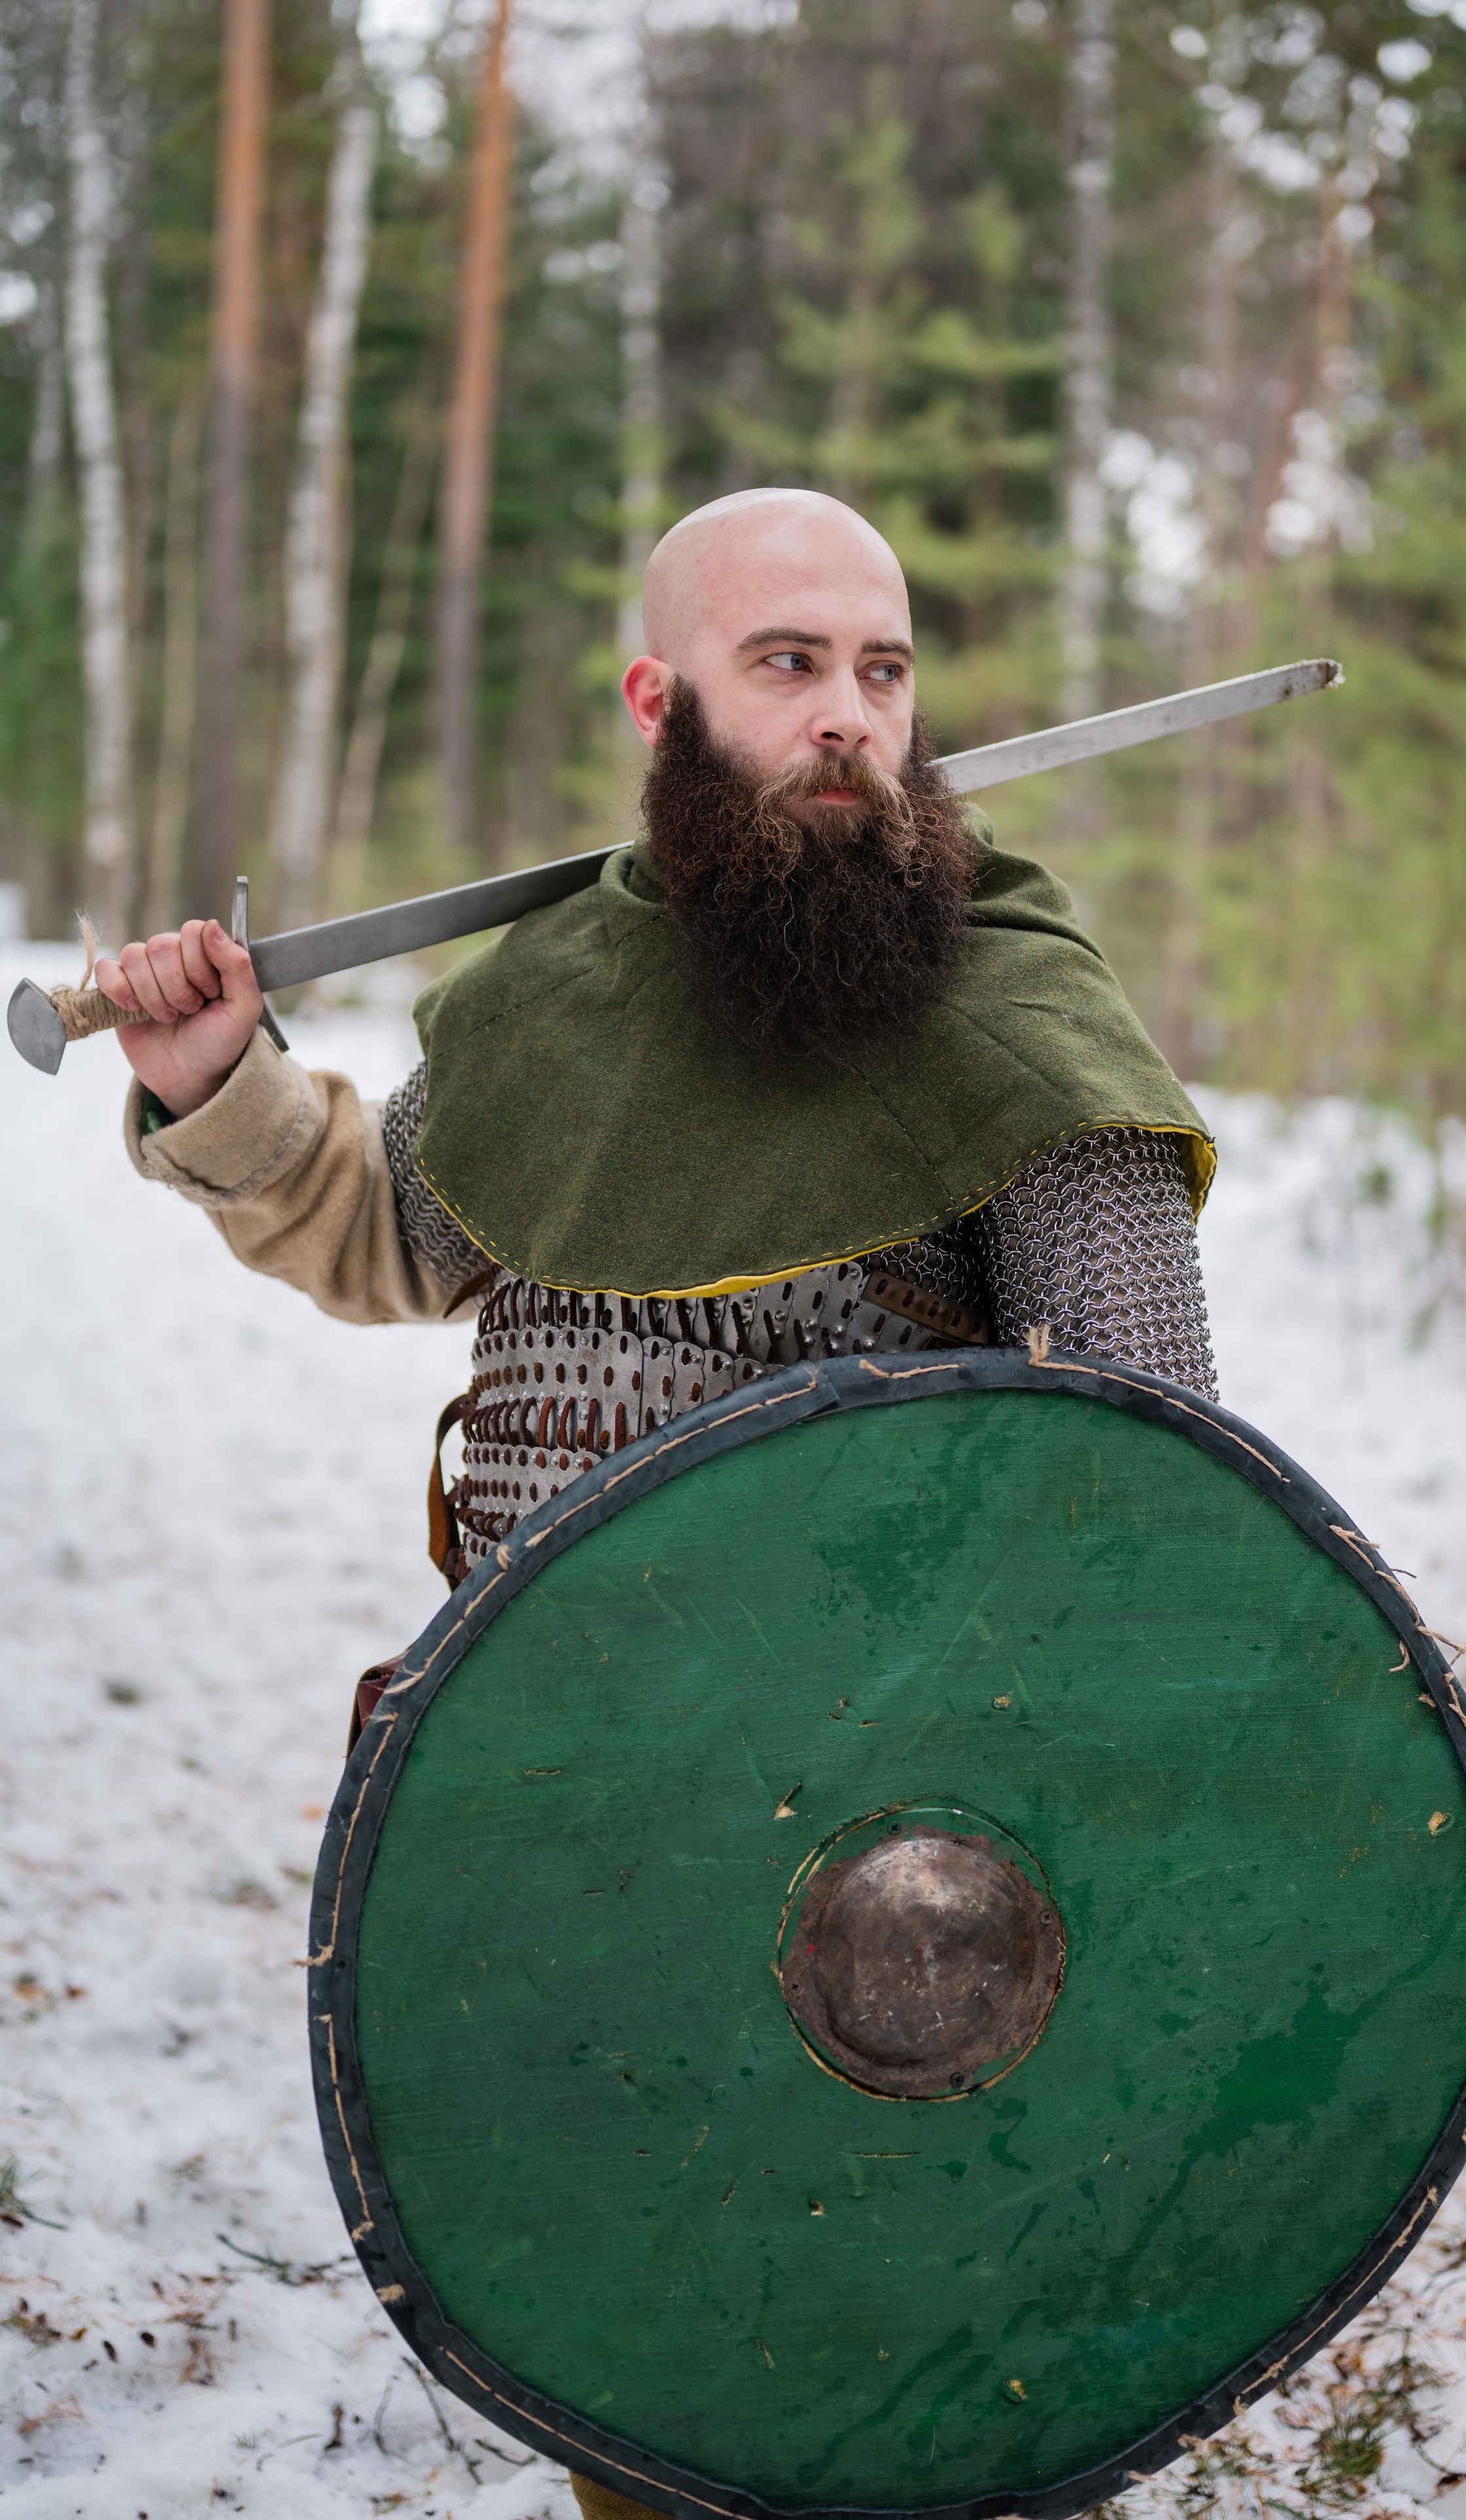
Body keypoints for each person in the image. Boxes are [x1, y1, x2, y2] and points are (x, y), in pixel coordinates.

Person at [99, 487, 1217, 2520]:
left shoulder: (1018, 1004)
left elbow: (1150, 1468)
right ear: (660, 699)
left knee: (930, 2335)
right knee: (651, 2323)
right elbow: (398, 1239)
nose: (848, 719)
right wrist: (219, 1082)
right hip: (571, 1764)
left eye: (881, 670)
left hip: (904, 1817)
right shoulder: (555, 999)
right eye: (786, 664)